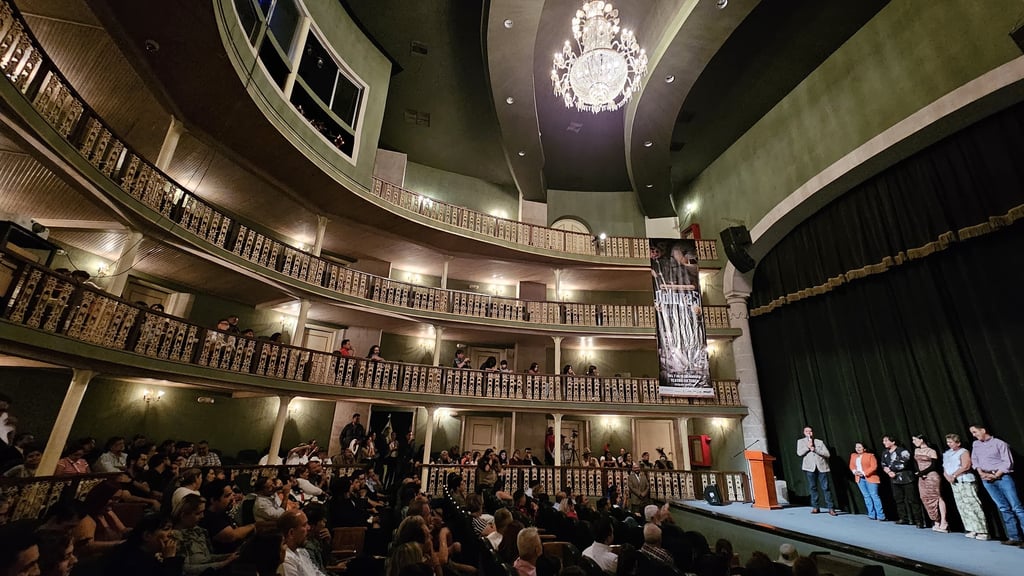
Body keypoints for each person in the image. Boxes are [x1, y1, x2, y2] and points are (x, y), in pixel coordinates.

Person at [970, 424, 1024, 545]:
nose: (974, 435)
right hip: (986, 479)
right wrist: (981, 472)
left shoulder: (1000, 443)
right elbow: (975, 460)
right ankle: (1014, 537)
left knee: (1017, 507)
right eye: (972, 433)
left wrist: (996, 475)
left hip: (1002, 477)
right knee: (1003, 508)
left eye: (975, 432)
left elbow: (1007, 462)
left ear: (983, 430)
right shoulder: (976, 445)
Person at [943, 433, 989, 540]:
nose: (948, 444)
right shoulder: (947, 453)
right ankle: (971, 528)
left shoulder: (963, 452)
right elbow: (945, 467)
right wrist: (947, 476)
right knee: (962, 506)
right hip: (954, 483)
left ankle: (982, 530)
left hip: (965, 481)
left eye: (951, 442)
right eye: (948, 442)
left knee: (972, 505)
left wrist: (954, 475)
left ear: (957, 443)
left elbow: (966, 466)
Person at [880, 435, 924, 527]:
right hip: (894, 480)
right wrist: (889, 472)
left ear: (893, 442)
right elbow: (883, 464)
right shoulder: (885, 453)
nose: (884, 443)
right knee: (898, 499)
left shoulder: (902, 451)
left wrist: (893, 470)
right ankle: (903, 518)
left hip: (906, 478)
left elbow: (904, 463)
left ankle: (919, 520)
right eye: (883, 441)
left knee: (913, 500)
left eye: (886, 441)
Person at [912, 434, 948, 532]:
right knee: (924, 497)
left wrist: (922, 473)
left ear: (921, 440)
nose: (913, 442)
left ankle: (944, 521)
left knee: (937, 497)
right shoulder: (917, 450)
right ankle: (936, 520)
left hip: (931, 476)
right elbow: (916, 463)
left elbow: (934, 465)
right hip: (922, 477)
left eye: (915, 440)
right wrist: (919, 473)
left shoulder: (931, 451)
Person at [796, 426, 835, 515]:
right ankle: (815, 507)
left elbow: (827, 454)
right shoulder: (801, 442)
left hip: (822, 467)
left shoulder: (819, 442)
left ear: (813, 433)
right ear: (804, 432)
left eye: (810, 431)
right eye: (807, 431)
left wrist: (816, 449)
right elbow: (799, 453)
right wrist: (807, 447)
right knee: (813, 487)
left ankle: (831, 508)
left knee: (826, 488)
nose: (809, 433)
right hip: (810, 468)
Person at [279, 509, 328, 575]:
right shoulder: (286, 561)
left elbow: (317, 573)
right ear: (291, 533)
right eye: (304, 525)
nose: (309, 528)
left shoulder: (302, 551)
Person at [848, 441, 885, 520]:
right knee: (866, 496)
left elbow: (874, 466)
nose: (857, 449)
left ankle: (880, 515)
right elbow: (851, 465)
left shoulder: (870, 456)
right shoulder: (853, 456)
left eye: (859, 447)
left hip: (870, 478)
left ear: (864, 448)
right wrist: (855, 472)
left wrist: (864, 473)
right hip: (859, 479)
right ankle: (871, 514)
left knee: (874, 496)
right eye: (856, 447)